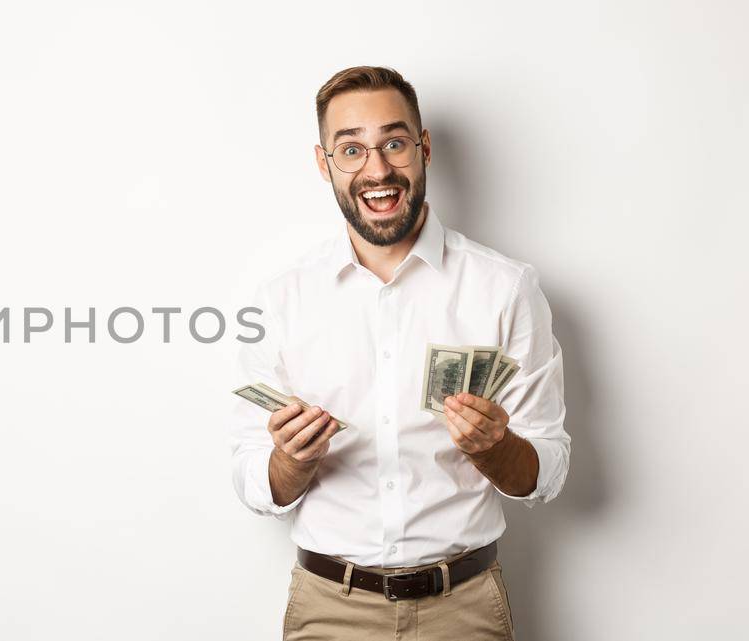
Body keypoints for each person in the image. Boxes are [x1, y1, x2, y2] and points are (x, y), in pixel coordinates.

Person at [229, 66, 570, 640]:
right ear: (324, 164)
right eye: (351, 149)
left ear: (424, 148)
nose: (377, 169)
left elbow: (548, 469)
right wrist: (291, 462)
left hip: (464, 609)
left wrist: (497, 449)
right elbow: (249, 474)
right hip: (327, 610)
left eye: (393, 142)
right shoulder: (281, 298)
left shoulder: (505, 289)